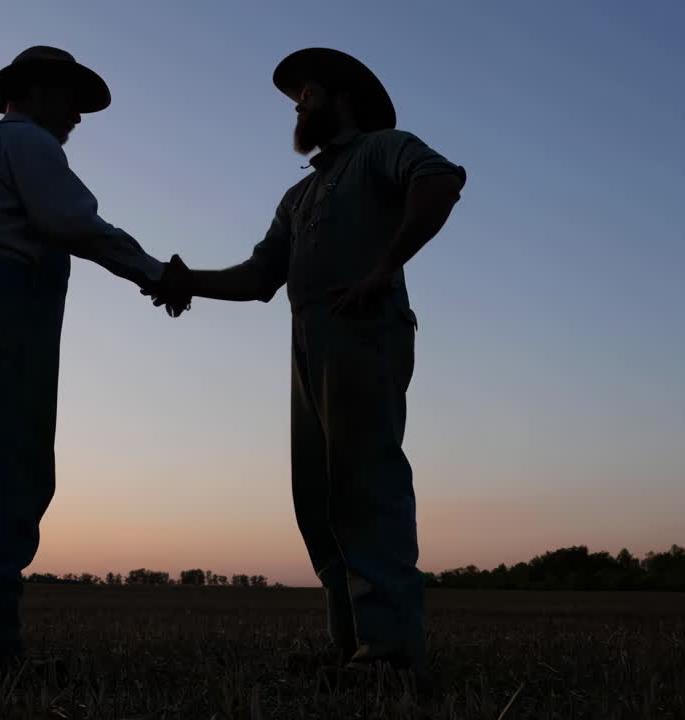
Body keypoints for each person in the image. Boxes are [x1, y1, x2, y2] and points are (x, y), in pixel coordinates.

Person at [149, 48, 466, 675]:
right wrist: (184, 281)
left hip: (363, 327)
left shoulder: (386, 148)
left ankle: (393, 651)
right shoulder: (299, 193)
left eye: (306, 93)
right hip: (307, 337)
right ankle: (351, 646)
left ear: (340, 97)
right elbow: (258, 276)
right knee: (316, 494)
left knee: (364, 483)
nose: (297, 105)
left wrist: (383, 269)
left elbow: (441, 181)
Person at [0, 46, 189, 673]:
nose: (78, 119)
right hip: (11, 301)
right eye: (71, 101)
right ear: (32, 92)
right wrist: (154, 273)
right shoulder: (30, 145)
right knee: (10, 479)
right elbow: (74, 224)